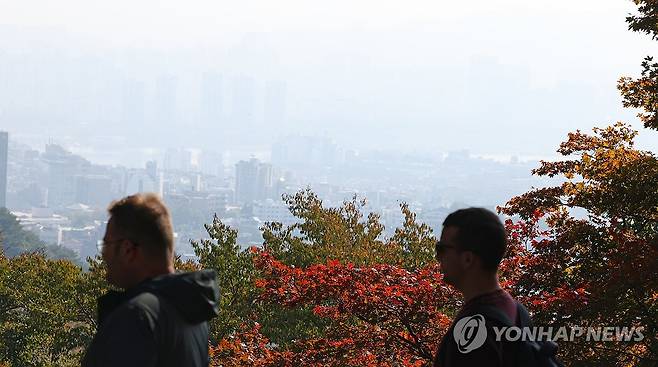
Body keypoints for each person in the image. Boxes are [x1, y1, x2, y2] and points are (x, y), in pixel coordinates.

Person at [82, 193, 220, 367]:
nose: (103, 254)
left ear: (127, 249)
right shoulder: (192, 313)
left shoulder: (137, 316)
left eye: (106, 245)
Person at [432, 207, 517, 366]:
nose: (438, 257)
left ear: (467, 259)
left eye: (441, 249)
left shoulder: (472, 336)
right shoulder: (516, 311)